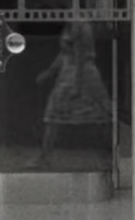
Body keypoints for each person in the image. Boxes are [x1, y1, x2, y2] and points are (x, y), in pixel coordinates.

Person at [33, 22, 113, 166]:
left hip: (82, 73)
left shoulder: (82, 26)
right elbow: (64, 54)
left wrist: (78, 83)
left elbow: (81, 56)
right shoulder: (70, 24)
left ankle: (111, 155)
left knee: (102, 112)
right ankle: (45, 156)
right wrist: (50, 72)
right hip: (70, 71)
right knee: (53, 115)